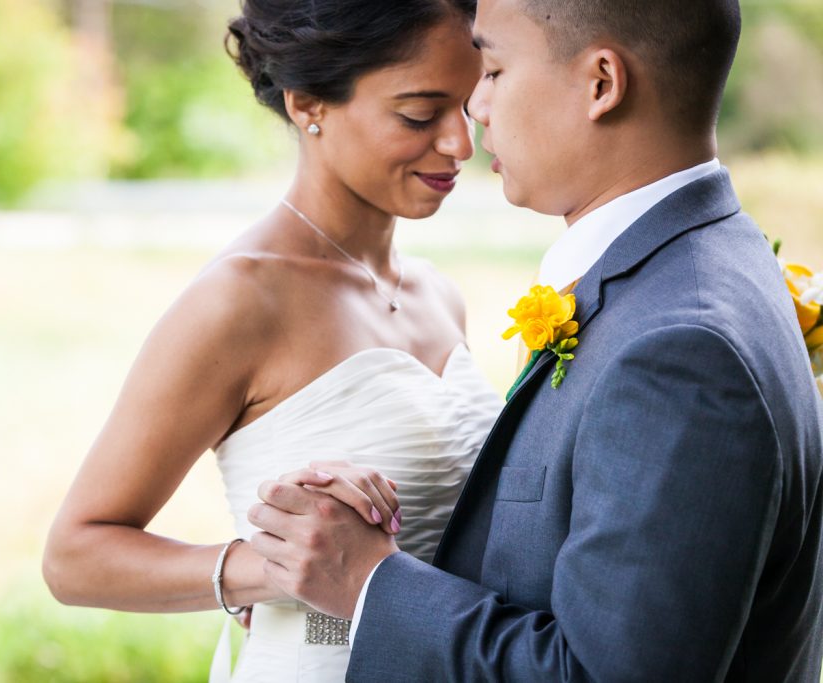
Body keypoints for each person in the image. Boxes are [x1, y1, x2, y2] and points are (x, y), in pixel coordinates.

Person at [248, 0, 823, 680]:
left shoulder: (680, 347)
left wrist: (369, 580)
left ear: (601, 83)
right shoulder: (709, 262)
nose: (478, 111)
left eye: (491, 70)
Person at [42, 1, 505, 680]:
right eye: (419, 115)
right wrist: (267, 568)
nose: (461, 144)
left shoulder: (439, 295)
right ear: (308, 104)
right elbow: (74, 556)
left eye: (469, 105)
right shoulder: (240, 301)